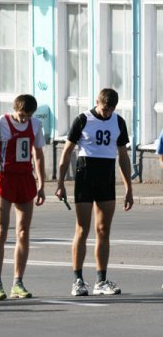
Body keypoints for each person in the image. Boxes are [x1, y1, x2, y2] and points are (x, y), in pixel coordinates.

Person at [56, 88, 133, 296]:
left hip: (106, 180)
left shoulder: (118, 122)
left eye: (111, 110)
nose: (107, 113)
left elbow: (123, 157)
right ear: (97, 102)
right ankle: (78, 280)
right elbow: (67, 153)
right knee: (82, 229)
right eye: (104, 108)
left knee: (103, 231)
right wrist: (60, 182)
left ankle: (101, 280)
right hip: (85, 178)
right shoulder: (83, 120)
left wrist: (128, 188)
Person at [0, 94, 46, 301]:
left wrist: (42, 184)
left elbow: (39, 154)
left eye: (28, 116)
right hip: (5, 178)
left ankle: (18, 282)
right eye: (22, 115)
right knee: (1, 230)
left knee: (23, 232)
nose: (25, 119)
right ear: (14, 109)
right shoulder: (1, 123)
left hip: (25, 179)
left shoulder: (36, 125)